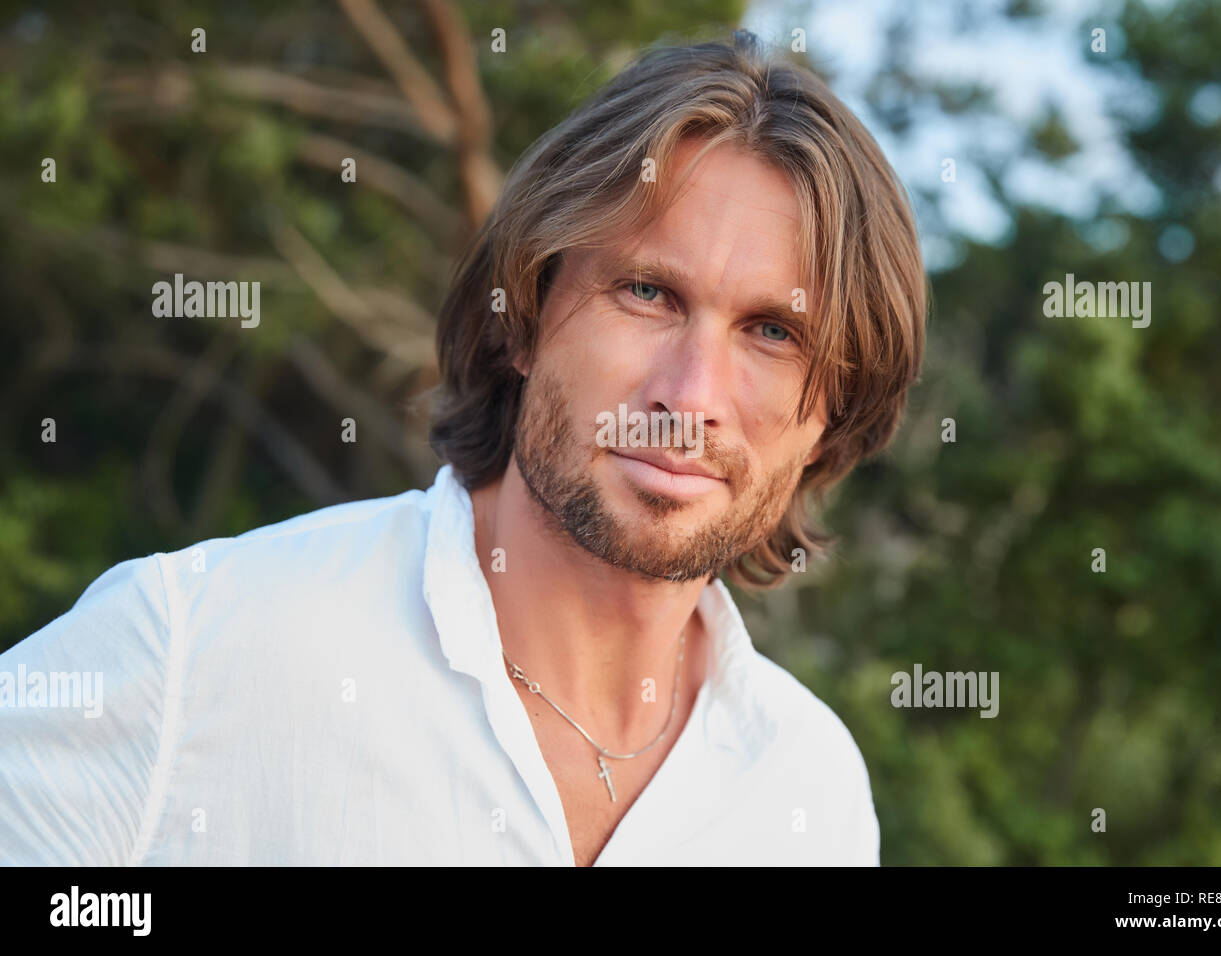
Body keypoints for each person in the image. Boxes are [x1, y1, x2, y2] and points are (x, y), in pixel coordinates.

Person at [0, 30, 925, 866]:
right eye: (647, 293)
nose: (689, 397)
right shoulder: (192, 650)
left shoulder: (813, 795)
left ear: (830, 420)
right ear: (522, 316)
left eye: (772, 332)